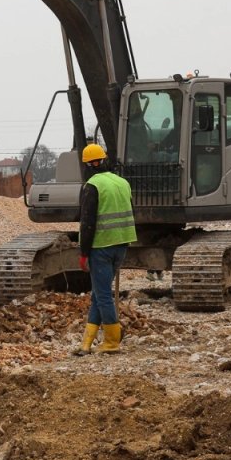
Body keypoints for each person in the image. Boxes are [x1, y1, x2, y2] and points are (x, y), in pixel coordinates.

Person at [75, 143, 137, 355]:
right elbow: (131, 211)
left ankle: (111, 341)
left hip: (100, 246)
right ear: (104, 160)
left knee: (102, 295)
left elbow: (87, 222)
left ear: (87, 165)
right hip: (121, 244)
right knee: (98, 293)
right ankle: (87, 343)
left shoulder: (92, 186)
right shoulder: (122, 182)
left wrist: (84, 253)